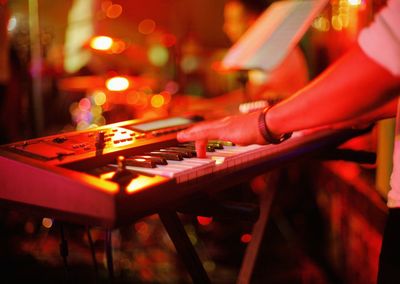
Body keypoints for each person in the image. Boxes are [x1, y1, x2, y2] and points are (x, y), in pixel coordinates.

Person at [178, 0, 400, 282]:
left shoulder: (276, 55)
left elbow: (389, 52)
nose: (226, 27)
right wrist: (340, 117)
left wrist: (265, 124)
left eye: (233, 19)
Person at [222, 0, 309, 102]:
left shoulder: (277, 51)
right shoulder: (256, 52)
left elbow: (270, 98)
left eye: (232, 21)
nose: (226, 28)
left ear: (252, 20)